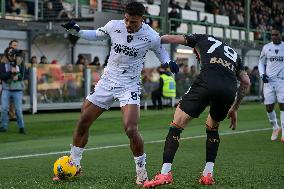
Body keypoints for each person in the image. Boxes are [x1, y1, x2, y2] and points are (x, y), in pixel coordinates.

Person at [58, 1, 179, 185]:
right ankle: (74, 164)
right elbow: (97, 35)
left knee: (130, 129)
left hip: (129, 85)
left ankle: (141, 172)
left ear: (142, 20)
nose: (129, 25)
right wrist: (78, 31)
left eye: (134, 22)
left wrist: (169, 63)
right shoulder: (114, 26)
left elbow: (161, 52)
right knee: (83, 121)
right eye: (127, 20)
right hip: (107, 82)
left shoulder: (151, 36)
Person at [143, 34, 250, 188]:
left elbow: (170, 39)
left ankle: (165, 173)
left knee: (177, 125)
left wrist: (150, 38)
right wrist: (235, 108)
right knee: (212, 127)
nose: (195, 55)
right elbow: (246, 82)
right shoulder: (234, 53)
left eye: (194, 52)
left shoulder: (201, 38)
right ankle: (208, 174)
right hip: (229, 89)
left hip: (207, 81)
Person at [258, 27, 284, 142]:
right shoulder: (266, 47)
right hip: (269, 82)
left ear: (281, 35)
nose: (274, 36)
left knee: (283, 105)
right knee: (269, 107)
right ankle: (275, 127)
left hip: (282, 81)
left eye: (276, 35)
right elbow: (261, 63)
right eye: (272, 35)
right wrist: (262, 74)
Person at [0, 47, 26, 134]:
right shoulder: (3, 64)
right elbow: (2, 76)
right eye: (10, 53)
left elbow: (21, 76)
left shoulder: (20, 64)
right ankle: (3, 126)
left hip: (17, 90)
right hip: (6, 89)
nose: (12, 55)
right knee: (3, 108)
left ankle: (21, 127)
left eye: (13, 54)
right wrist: (11, 73)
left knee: (18, 110)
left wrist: (17, 67)